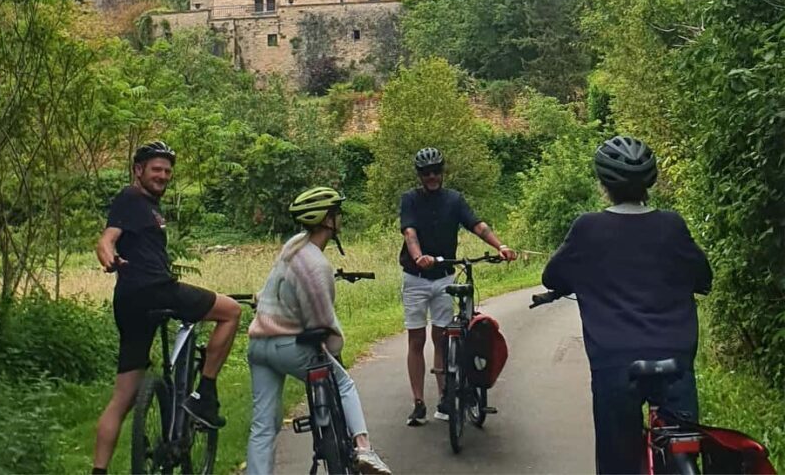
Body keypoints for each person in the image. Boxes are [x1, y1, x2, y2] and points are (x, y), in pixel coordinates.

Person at [541, 136, 713, 474]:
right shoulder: (672, 226)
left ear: (603, 183)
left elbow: (552, 277)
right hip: (674, 358)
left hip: (615, 363)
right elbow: (702, 277)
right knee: (681, 448)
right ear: (650, 181)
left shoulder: (587, 228)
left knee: (618, 460)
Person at [92, 141, 241, 475]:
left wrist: (114, 257)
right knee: (231, 311)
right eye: (155, 169)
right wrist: (107, 256)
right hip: (157, 290)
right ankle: (205, 393)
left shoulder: (150, 207)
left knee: (123, 397)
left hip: (129, 302)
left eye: (167, 171)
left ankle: (98, 471)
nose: (162, 176)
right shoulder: (130, 199)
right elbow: (106, 238)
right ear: (138, 170)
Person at [246, 187, 391, 475]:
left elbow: (272, 288)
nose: (340, 218)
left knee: (263, 425)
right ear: (327, 220)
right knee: (344, 383)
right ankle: (363, 448)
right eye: (336, 212)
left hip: (258, 345)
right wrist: (336, 349)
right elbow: (323, 325)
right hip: (289, 346)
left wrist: (262, 301)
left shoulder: (293, 245)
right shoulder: (316, 265)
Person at [400, 147, 517, 426]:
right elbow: (409, 231)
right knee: (417, 339)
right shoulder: (410, 200)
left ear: (442, 171)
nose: (432, 176)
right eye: (426, 172)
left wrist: (500, 245)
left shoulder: (454, 199)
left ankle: (445, 395)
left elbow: (477, 225)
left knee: (442, 337)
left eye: (436, 171)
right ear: (420, 175)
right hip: (415, 278)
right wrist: (418, 258)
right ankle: (418, 402)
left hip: (444, 277)